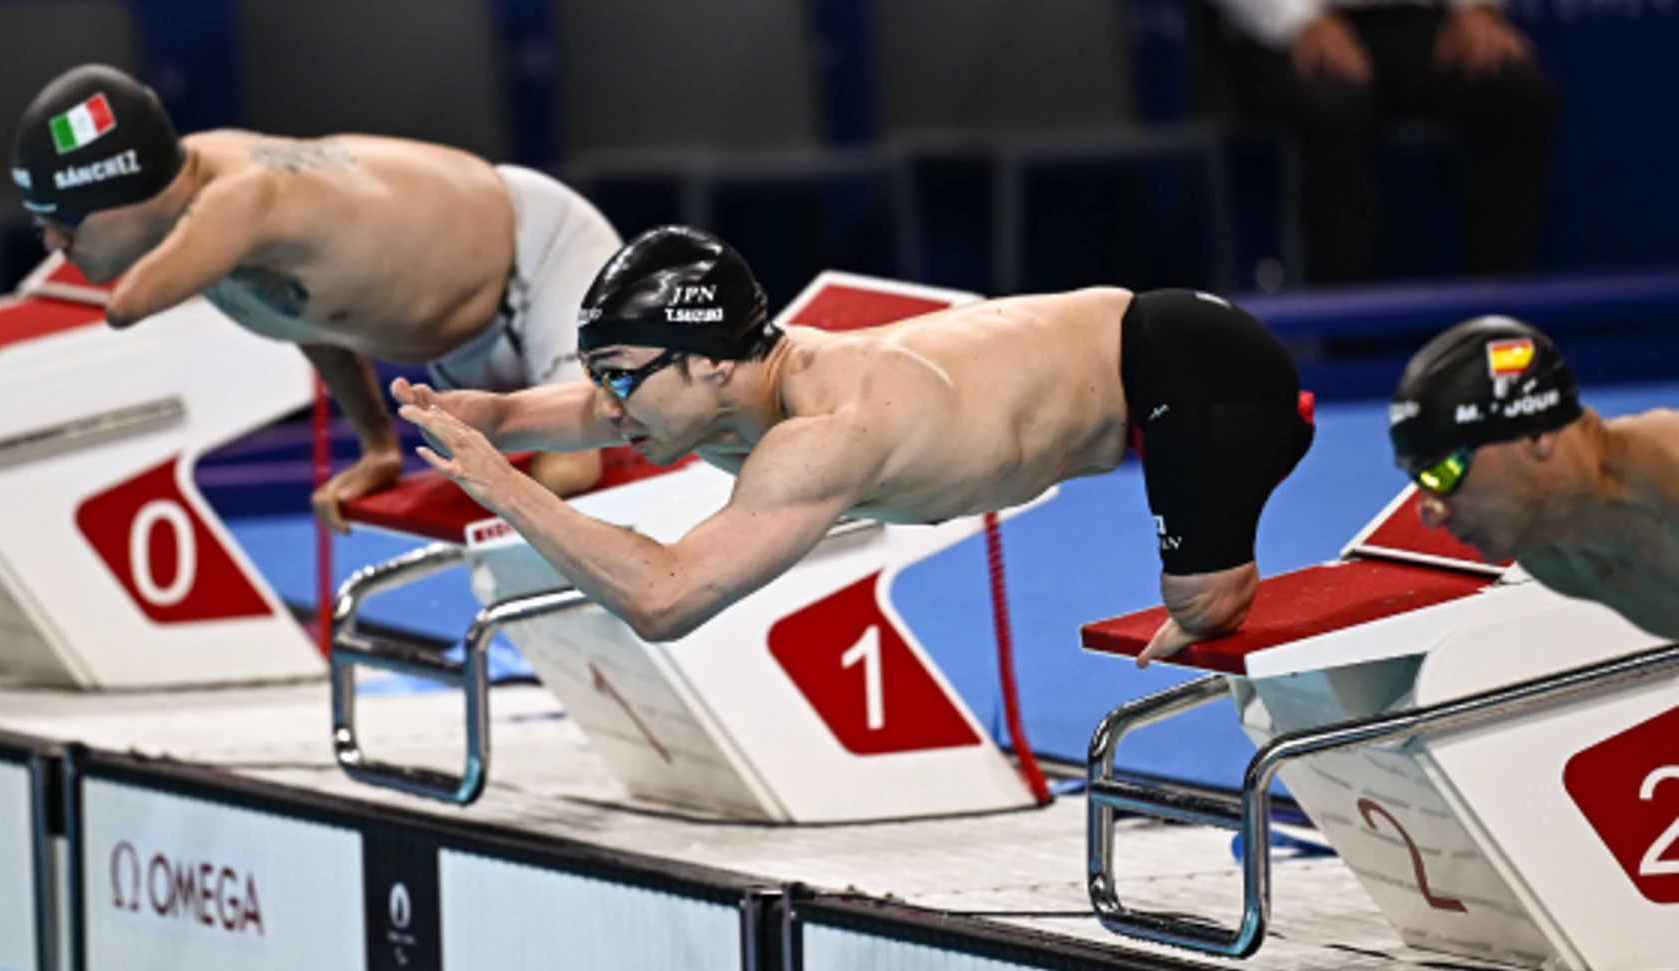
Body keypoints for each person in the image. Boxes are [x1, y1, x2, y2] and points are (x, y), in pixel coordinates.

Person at [394, 226, 1315, 664]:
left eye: (623, 373)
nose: (607, 400)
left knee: (1204, 603)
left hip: (1196, 373)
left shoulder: (823, 435)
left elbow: (664, 598)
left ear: (713, 362)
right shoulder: (705, 389)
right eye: (602, 372)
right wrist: (493, 418)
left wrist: (505, 491)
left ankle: (1225, 534)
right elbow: (573, 414)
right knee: (1201, 608)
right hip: (1135, 375)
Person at [10, 64, 621, 530]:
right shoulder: (211, 226)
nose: (55, 240)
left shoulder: (239, 200)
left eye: (66, 217)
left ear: (129, 193)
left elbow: (127, 306)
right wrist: (379, 447)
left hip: (542, 258)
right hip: (472, 330)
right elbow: (313, 318)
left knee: (569, 470)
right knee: (525, 480)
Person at [1211, 0, 1555, 283]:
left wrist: (1476, 9)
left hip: (1420, 23)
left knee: (1518, 98)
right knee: (1336, 110)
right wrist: (1299, 22)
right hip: (1282, 32)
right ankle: (1350, 343)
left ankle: (1494, 331)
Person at [1389, 316, 1679, 639]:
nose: (1430, 513)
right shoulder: (1549, 556)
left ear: (1536, 433)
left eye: (1445, 471)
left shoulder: (1669, 477)